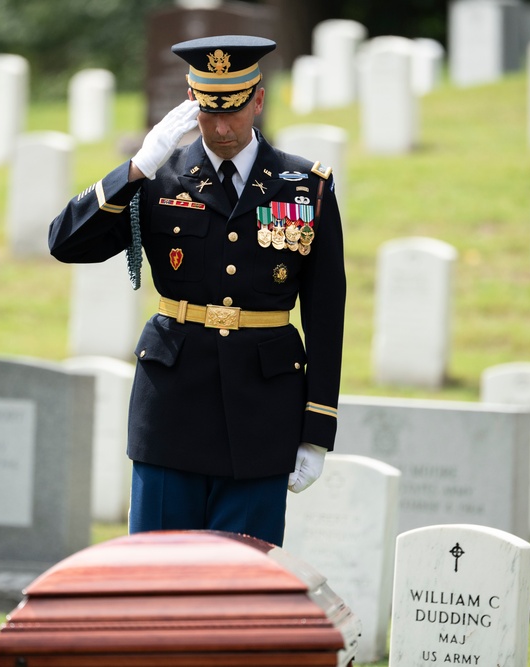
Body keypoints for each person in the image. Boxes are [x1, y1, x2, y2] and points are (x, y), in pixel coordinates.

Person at [48, 35, 346, 547]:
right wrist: (136, 168)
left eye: (234, 110)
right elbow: (65, 242)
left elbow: (325, 312)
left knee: (243, 590)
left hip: (262, 413)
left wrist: (317, 430)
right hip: (171, 413)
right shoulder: (159, 178)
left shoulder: (305, 186)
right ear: (192, 102)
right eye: (209, 113)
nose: (223, 127)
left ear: (258, 99)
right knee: (156, 584)